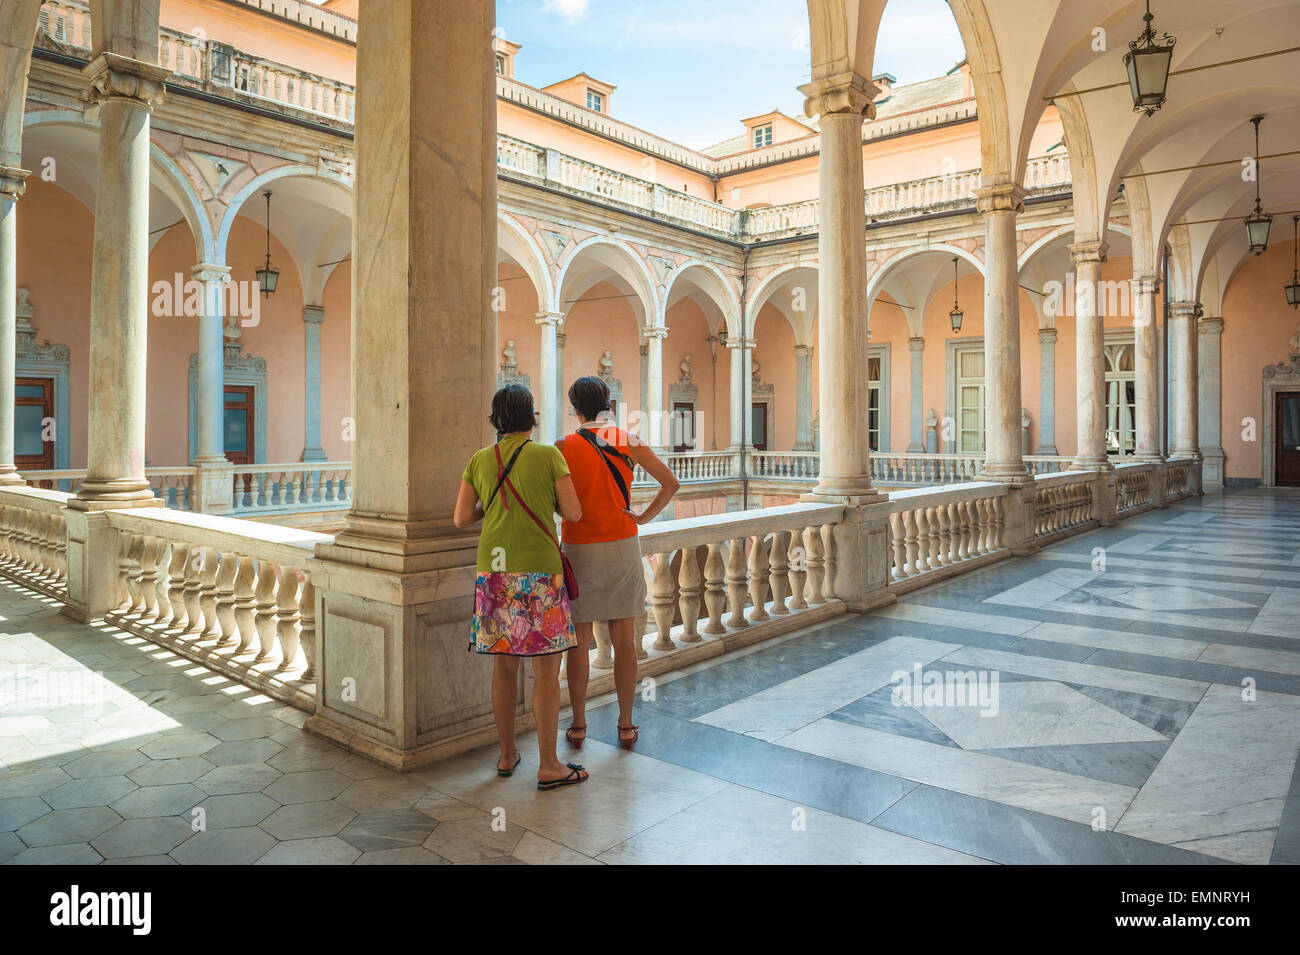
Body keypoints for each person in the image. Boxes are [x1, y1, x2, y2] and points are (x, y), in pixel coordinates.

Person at [453, 384, 589, 791]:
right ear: (531, 416)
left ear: (496, 419)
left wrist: (491, 503)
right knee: (546, 671)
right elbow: (574, 513)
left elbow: (461, 517)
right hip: (540, 574)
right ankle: (549, 764)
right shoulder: (549, 456)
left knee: (504, 665)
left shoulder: (480, 459)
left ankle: (507, 753)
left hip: (494, 574)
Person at [558, 375, 680, 749]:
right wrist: (642, 517)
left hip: (579, 549)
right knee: (624, 640)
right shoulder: (629, 441)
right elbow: (671, 483)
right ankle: (625, 724)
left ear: (575, 410)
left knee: (578, 643)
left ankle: (579, 724)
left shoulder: (563, 447)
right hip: (622, 545)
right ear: (608, 403)